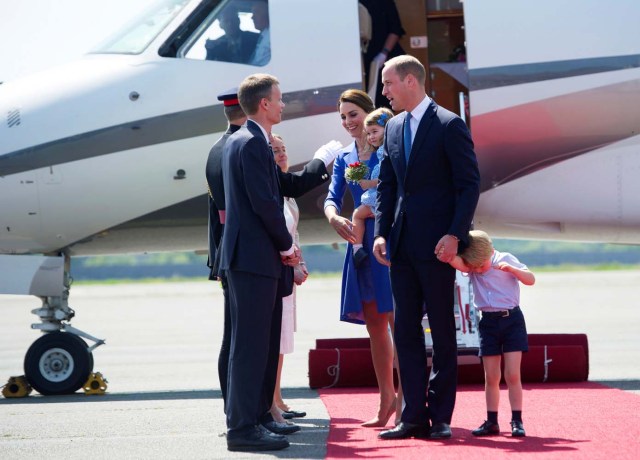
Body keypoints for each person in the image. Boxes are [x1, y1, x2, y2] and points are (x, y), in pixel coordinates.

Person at [217, 75, 340, 451]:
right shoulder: (251, 143)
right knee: (250, 345)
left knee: (262, 344)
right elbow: (264, 204)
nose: (284, 105)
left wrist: (322, 161)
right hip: (253, 259)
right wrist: (288, 246)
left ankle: (255, 420)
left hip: (256, 259)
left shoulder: (251, 141)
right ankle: (242, 429)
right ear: (264, 104)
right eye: (279, 99)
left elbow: (285, 187)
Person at [373, 55, 481, 440]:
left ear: (410, 82)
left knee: (442, 333)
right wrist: (381, 233)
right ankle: (413, 416)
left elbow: (468, 185)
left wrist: (456, 234)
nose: (383, 92)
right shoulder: (393, 127)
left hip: (438, 247)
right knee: (405, 332)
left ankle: (441, 417)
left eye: (388, 84)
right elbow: (387, 186)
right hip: (401, 247)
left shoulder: (450, 124)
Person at [324, 89, 400, 428]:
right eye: (343, 117)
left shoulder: (390, 146)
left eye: (353, 114)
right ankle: (386, 399)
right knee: (374, 326)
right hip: (360, 243)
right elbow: (332, 195)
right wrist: (332, 216)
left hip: (388, 236)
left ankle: (410, 400)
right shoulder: (345, 157)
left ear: (369, 114)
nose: (348, 122)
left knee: (401, 322)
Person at [447, 230, 534, 438]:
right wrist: (447, 251)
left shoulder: (504, 259)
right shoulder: (472, 265)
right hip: (488, 321)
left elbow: (530, 279)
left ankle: (517, 420)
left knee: (512, 374)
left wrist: (514, 271)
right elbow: (456, 262)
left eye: (481, 266)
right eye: (474, 267)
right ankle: (492, 420)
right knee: (491, 376)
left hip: (511, 319)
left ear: (490, 252)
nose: (477, 270)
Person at [269, 134, 308, 426]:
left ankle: (277, 397)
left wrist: (300, 264)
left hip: (288, 270)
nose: (282, 154)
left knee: (283, 339)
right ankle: (271, 401)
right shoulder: (271, 188)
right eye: (275, 150)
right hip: (277, 269)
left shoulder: (287, 189)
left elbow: (294, 233)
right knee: (275, 339)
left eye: (284, 149)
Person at [351, 107, 394, 268]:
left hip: (377, 198)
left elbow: (386, 177)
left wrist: (368, 183)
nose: (371, 137)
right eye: (368, 133)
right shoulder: (382, 152)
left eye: (375, 131)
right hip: (379, 197)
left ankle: (357, 248)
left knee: (357, 215)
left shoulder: (385, 153)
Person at [359, 0, 406, 108]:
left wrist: (384, 53)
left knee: (386, 101)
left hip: (384, 59)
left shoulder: (385, 2)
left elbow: (395, 30)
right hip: (362, 60)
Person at [249, 0, 270, 66]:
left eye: (257, 12)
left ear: (268, 14)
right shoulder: (264, 34)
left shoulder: (273, 37)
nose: (252, 17)